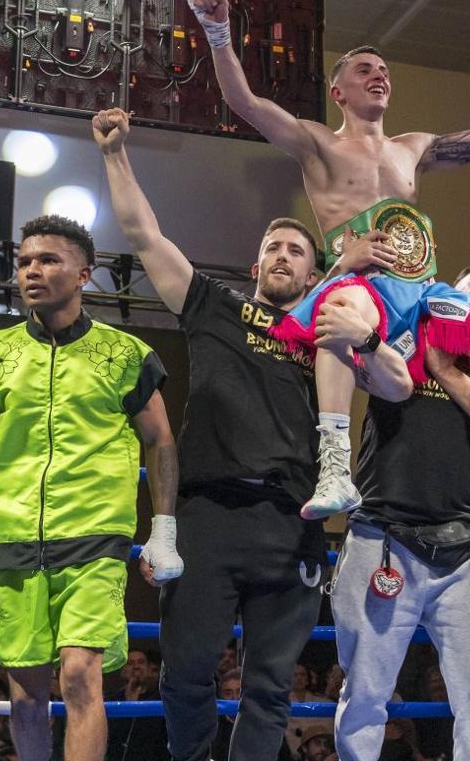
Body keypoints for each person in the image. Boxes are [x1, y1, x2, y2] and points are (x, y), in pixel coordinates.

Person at [188, 0, 470, 536]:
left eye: (384, 71)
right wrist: (217, 28)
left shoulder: (415, 147)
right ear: (339, 91)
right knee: (342, 319)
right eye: (364, 69)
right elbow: (243, 101)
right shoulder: (316, 141)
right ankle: (334, 468)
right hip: (361, 281)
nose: (379, 76)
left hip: (419, 288)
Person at [92, 109, 411, 761]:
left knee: (270, 688)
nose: (284, 256)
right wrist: (114, 155)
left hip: (292, 519)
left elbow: (395, 378)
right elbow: (141, 232)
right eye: (274, 247)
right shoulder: (215, 306)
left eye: (297, 250)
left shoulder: (326, 331)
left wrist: (345, 278)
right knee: (184, 674)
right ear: (256, 260)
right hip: (209, 516)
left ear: (311, 269)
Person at [0, 214, 182, 761]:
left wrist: (164, 530)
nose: (31, 272)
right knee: (24, 695)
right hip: (14, 535)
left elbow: (161, 442)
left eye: (47, 261)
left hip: (95, 536)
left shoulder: (125, 356)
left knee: (83, 675)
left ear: (84, 273)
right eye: (23, 262)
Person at [330, 261, 470, 761]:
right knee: (365, 696)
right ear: (445, 295)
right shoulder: (399, 330)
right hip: (384, 537)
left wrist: (447, 371)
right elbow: (361, 360)